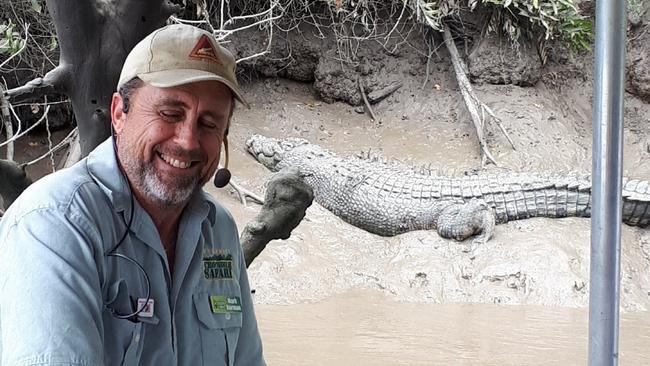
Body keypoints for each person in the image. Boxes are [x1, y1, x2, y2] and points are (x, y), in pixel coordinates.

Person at [0, 24, 265, 365]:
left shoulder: (219, 229)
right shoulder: (53, 224)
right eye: (170, 113)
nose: (187, 141)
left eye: (209, 124)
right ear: (118, 114)